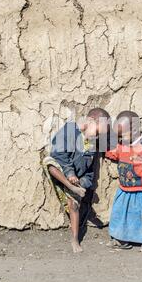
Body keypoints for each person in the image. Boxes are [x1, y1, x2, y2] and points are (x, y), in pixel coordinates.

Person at [43, 108, 110, 253]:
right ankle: (70, 187)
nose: (98, 137)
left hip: (76, 182)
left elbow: (90, 170)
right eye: (98, 132)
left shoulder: (91, 144)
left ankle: (74, 239)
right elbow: (58, 154)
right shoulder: (70, 130)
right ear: (90, 121)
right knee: (48, 162)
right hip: (62, 174)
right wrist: (70, 173)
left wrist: (83, 182)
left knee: (74, 206)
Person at [105, 110, 142, 252]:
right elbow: (114, 154)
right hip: (124, 189)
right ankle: (120, 239)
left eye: (122, 134)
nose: (120, 138)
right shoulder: (123, 144)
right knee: (120, 214)